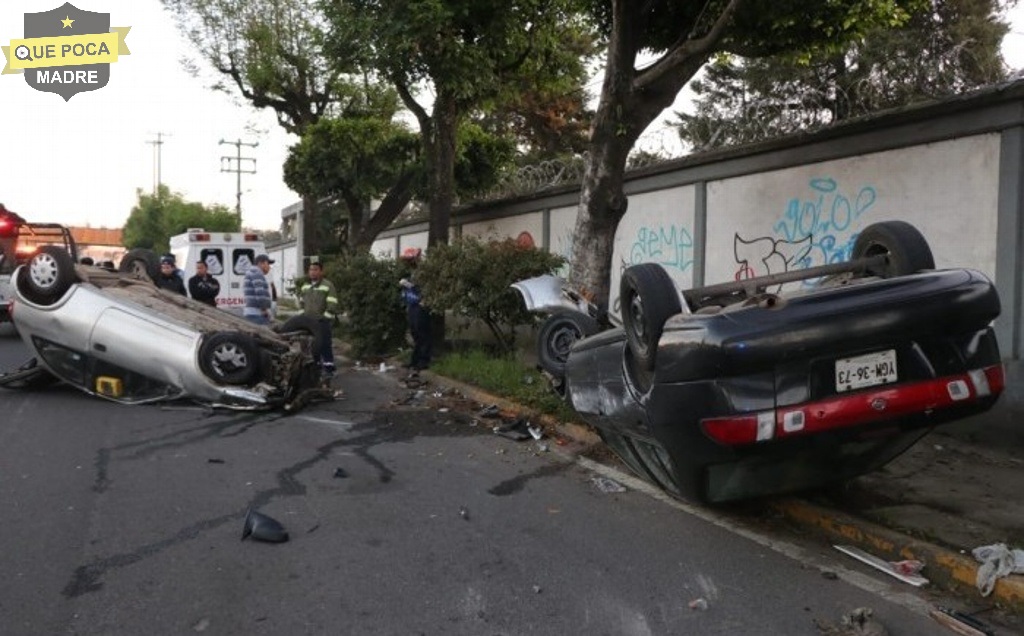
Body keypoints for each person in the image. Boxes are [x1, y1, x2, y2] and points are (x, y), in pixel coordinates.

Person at [299, 259, 340, 377]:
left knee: (325, 345)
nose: (312, 272)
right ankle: (315, 368)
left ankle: (329, 369)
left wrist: (325, 318)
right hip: (308, 322)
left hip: (322, 322)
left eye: (315, 270)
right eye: (311, 269)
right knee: (312, 346)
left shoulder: (328, 285)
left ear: (321, 272)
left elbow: (332, 303)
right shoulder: (305, 286)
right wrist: (302, 314)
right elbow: (301, 302)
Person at [399, 247, 432, 371]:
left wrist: (410, 285)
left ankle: (423, 361)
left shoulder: (423, 271)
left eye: (409, 260)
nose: (407, 263)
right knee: (415, 333)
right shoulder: (412, 272)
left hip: (421, 305)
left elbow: (423, 287)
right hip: (412, 305)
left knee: (422, 333)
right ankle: (415, 360)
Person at [243, 254, 274, 325]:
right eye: (268, 264)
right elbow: (260, 292)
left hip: (252, 312)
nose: (269, 267)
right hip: (257, 313)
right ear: (260, 263)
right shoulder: (257, 273)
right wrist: (264, 309)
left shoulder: (252, 272)